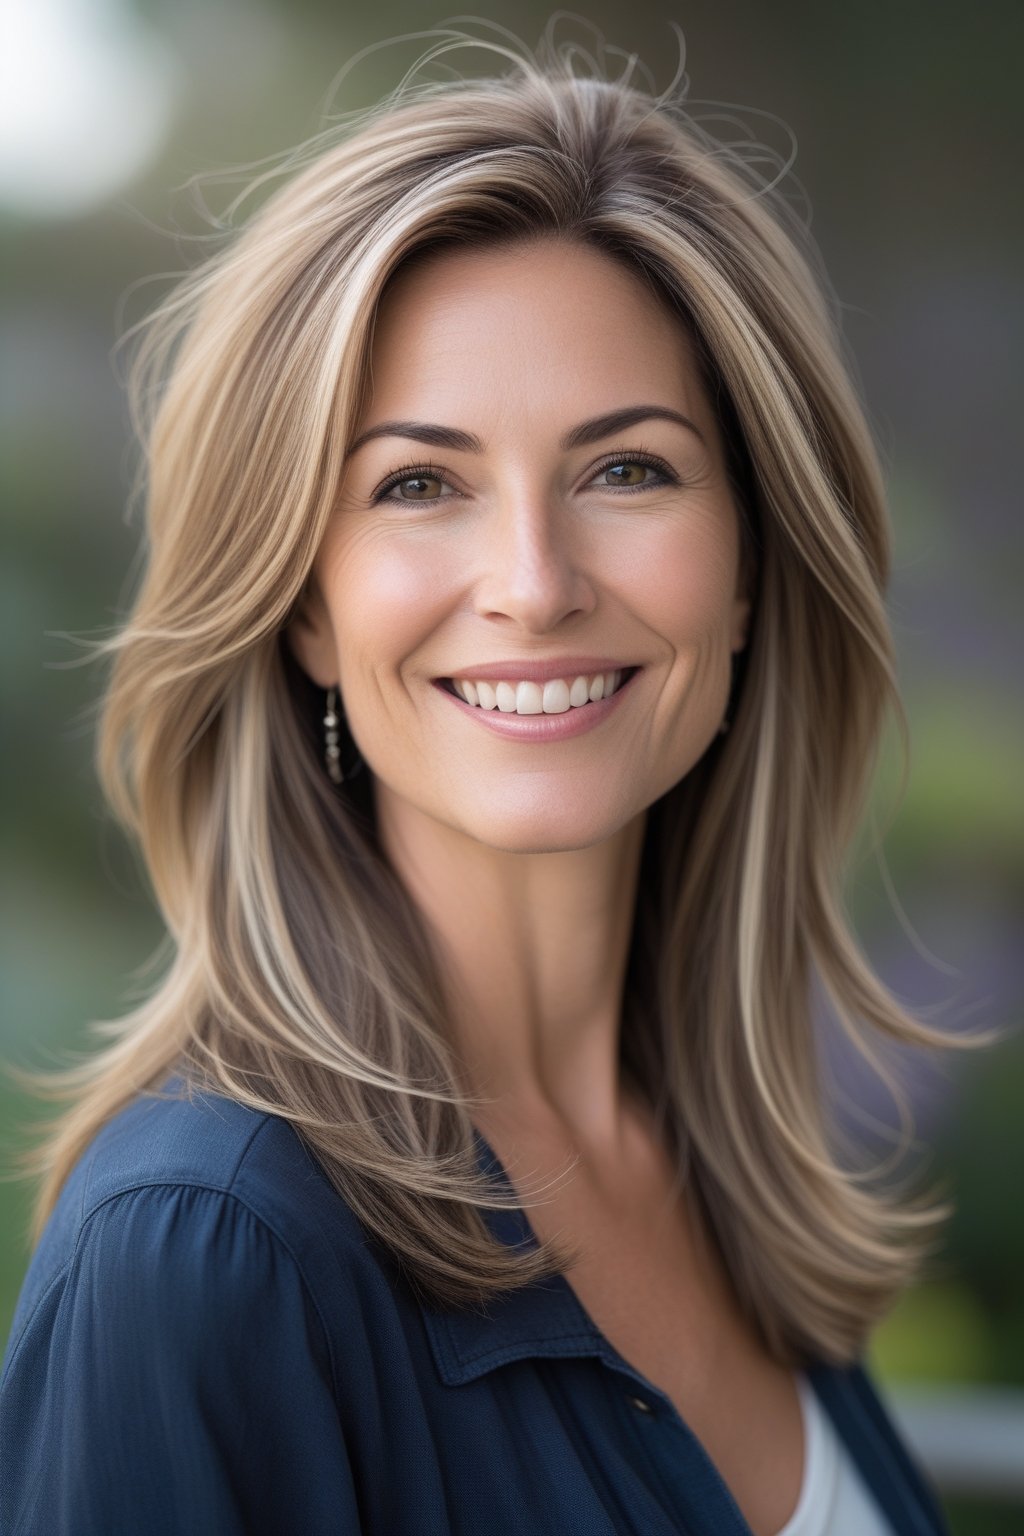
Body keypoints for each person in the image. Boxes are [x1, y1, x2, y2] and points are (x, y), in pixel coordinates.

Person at [0, 24, 988, 1536]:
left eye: (628, 468)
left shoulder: (725, 1173)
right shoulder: (200, 1255)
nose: (532, 584)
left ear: (747, 570)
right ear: (306, 608)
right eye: (418, 486)